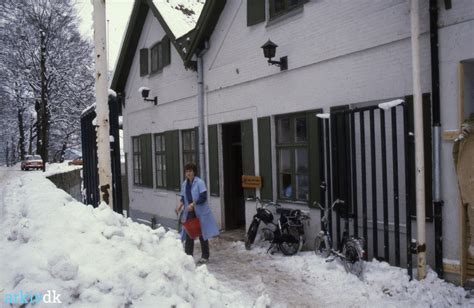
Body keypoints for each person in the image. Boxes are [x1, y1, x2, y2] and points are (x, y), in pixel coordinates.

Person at [176, 163, 219, 265]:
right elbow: (183, 197)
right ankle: (188, 256)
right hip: (190, 212)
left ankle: (205, 256)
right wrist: (180, 206)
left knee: (202, 234)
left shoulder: (199, 182)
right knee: (189, 233)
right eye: (187, 171)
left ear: (194, 172)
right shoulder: (184, 184)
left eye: (190, 171)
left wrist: (193, 204)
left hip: (200, 212)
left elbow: (203, 197)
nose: (188, 173)